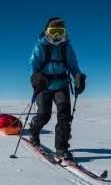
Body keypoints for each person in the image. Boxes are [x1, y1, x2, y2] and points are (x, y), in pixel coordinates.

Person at [28, 17, 86, 160]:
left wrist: (78, 76)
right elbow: (32, 65)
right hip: (44, 85)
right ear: (47, 32)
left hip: (62, 85)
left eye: (59, 32)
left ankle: (61, 148)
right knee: (44, 115)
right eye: (53, 32)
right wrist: (35, 77)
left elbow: (73, 65)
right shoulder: (40, 46)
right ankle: (34, 130)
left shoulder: (67, 47)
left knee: (64, 117)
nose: (56, 36)